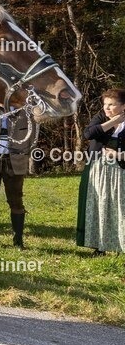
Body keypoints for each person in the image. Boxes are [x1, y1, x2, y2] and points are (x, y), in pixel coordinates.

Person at [0, 106, 37, 247]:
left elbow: (32, 138)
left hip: (15, 161)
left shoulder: (25, 114)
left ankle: (18, 239)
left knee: (16, 199)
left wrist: (23, 157)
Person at [77, 88, 125, 255]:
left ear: (123, 106)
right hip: (98, 169)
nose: (107, 108)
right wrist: (113, 121)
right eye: (105, 104)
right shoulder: (101, 117)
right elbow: (88, 134)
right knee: (99, 205)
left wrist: (119, 155)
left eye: (111, 104)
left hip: (121, 172)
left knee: (120, 207)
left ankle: (121, 245)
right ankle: (99, 246)